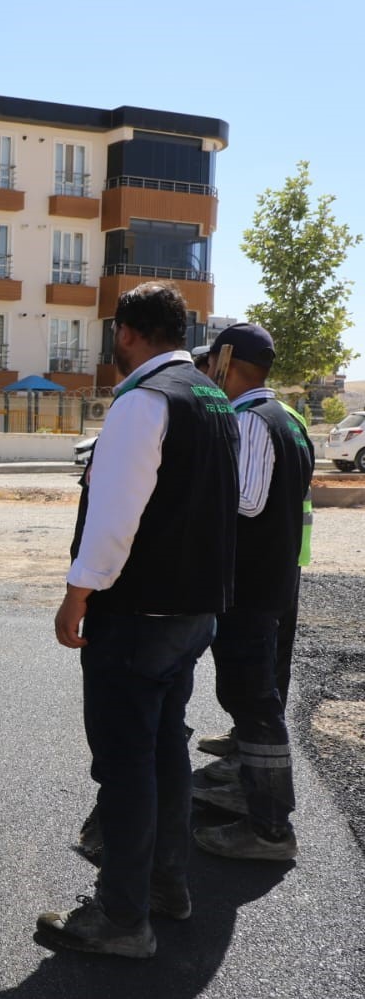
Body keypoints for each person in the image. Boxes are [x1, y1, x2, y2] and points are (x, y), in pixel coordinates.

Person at [38, 282, 239, 959]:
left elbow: (113, 517)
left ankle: (122, 918)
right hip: (193, 612)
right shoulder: (212, 398)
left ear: (125, 332)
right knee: (162, 755)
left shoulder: (141, 401)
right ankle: (163, 886)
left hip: (136, 616)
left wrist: (77, 593)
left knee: (125, 767)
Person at [189, 324, 313, 861]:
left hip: (251, 588)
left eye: (214, 361)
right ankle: (250, 796)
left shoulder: (253, 421)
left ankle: (268, 829)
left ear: (227, 362)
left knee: (256, 703)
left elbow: (246, 502)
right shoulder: (285, 417)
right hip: (269, 582)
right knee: (251, 698)